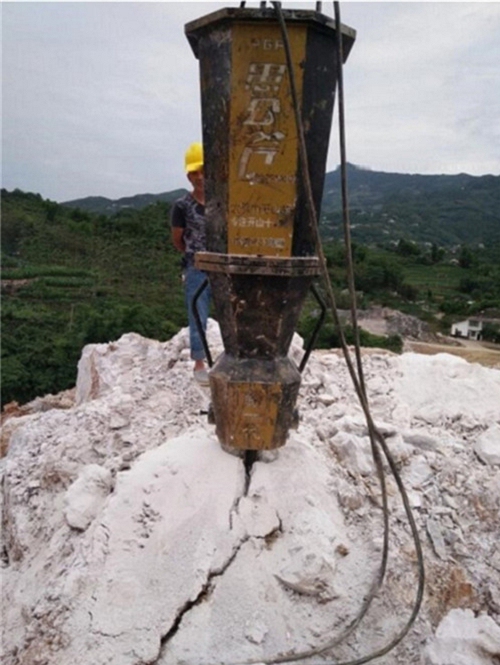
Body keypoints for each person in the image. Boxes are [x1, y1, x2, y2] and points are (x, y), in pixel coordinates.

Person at [170, 142, 212, 385]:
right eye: (195, 173)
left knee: (232, 311)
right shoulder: (182, 206)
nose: (200, 177)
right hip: (196, 265)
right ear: (189, 176)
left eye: (203, 171)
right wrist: (193, 256)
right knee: (198, 313)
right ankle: (199, 362)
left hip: (223, 265)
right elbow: (178, 239)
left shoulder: (223, 203)